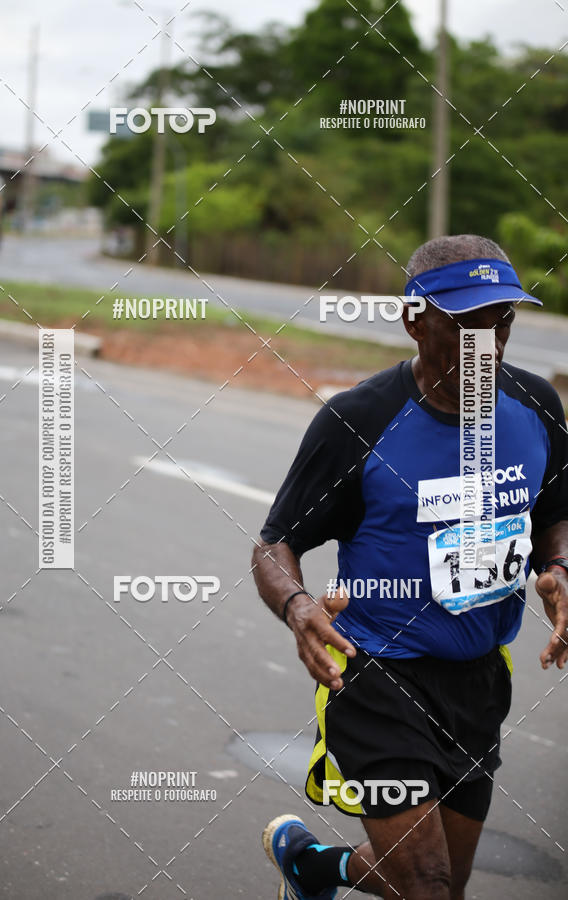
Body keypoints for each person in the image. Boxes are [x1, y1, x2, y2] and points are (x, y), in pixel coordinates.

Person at [252, 234, 568, 900]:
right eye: (465, 322)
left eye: (501, 319)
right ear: (413, 319)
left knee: (440, 886)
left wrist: (558, 570)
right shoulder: (358, 421)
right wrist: (297, 605)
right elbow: (274, 542)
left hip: (478, 681)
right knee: (427, 884)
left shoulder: (537, 406)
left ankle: (314, 868)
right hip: (375, 675)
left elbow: (553, 515)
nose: (488, 340)